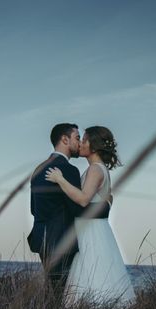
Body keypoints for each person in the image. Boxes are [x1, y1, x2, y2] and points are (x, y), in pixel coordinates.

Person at [45, 126, 136, 307]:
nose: (80, 144)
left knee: (92, 274)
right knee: (96, 276)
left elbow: (84, 199)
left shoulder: (95, 169)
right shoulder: (98, 169)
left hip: (91, 232)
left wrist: (60, 179)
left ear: (93, 146)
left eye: (84, 140)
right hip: (94, 228)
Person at [27, 123, 110, 297]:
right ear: (65, 139)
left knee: (53, 290)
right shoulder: (68, 170)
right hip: (62, 240)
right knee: (63, 294)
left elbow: (34, 209)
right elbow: (78, 209)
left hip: (41, 238)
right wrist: (106, 206)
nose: (79, 143)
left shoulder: (38, 169)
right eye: (77, 138)